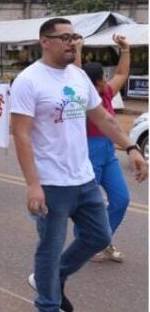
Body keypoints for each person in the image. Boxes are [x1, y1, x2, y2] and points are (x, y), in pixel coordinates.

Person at [10, 18, 147, 312]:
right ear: (44, 41)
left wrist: (131, 146)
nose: (71, 42)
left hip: (83, 180)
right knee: (50, 247)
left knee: (100, 236)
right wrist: (33, 184)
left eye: (74, 36)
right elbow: (20, 134)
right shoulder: (29, 80)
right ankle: (48, 304)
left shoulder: (78, 76)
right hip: (51, 183)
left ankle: (53, 277)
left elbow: (102, 117)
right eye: (64, 37)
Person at [75, 34, 132, 263]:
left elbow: (121, 74)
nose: (107, 79)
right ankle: (86, 243)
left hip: (108, 152)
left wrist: (126, 49)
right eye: (102, 77)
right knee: (90, 206)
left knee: (121, 199)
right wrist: (78, 49)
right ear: (95, 81)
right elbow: (77, 74)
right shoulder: (82, 97)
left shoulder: (107, 92)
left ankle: (102, 239)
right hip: (89, 152)